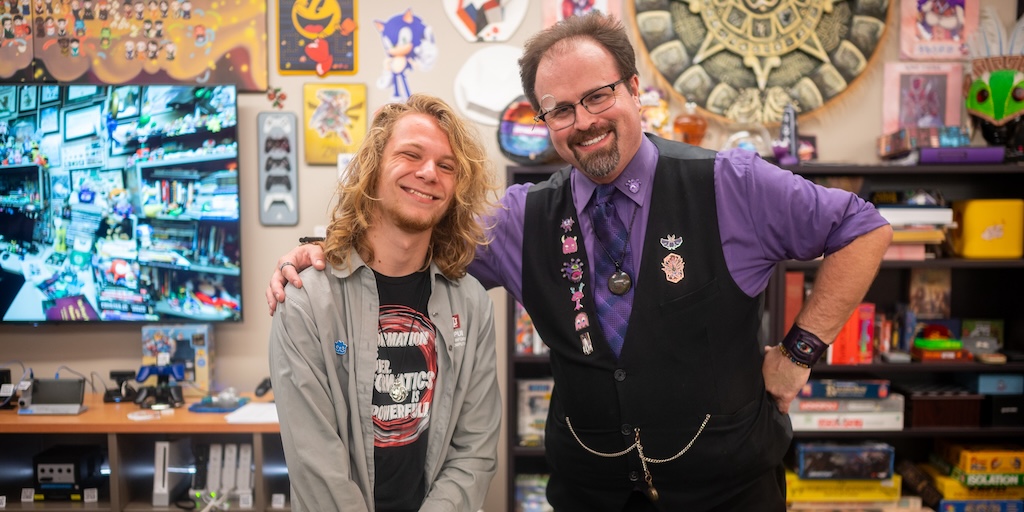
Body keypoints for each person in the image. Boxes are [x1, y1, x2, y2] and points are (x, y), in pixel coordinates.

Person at [267, 13, 893, 512]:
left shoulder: (732, 182)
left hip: (729, 490)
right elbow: (409, 235)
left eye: (598, 96)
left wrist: (799, 352)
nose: (584, 122)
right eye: (561, 110)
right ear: (544, 121)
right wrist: (324, 250)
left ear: (634, 90)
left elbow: (863, 229)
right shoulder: (520, 218)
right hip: (587, 492)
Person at [267, 94, 502, 512]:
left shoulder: (472, 304)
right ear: (373, 169)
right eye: (411, 155)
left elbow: (475, 450)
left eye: (447, 166)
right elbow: (316, 465)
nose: (429, 172)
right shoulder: (306, 301)